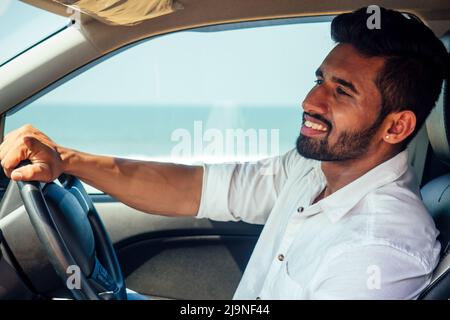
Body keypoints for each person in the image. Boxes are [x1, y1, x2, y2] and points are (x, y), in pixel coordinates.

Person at [0, 6, 448, 299]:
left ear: (397, 126)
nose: (311, 101)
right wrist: (65, 159)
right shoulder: (313, 171)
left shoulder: (377, 250)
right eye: (320, 79)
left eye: (342, 91)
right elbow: (192, 188)